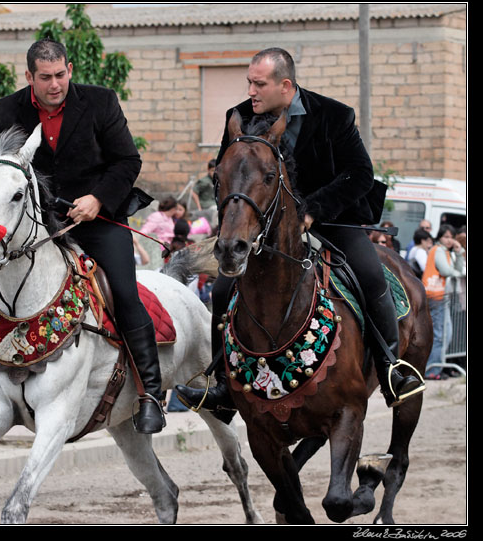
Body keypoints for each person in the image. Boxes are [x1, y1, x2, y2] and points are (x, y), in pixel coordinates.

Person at [176, 47, 423, 412]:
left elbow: (360, 175)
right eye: (249, 82)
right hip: (263, 228)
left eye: (259, 84)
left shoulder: (335, 115)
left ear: (285, 85)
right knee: (224, 287)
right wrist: (235, 222)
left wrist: (313, 210)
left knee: (371, 276)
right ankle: (223, 387)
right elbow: (228, 177)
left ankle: (390, 369)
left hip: (329, 220)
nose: (251, 91)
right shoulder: (238, 118)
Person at [0, 39, 164, 434]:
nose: (55, 84)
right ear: (29, 77)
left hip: (98, 219)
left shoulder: (102, 102)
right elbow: (6, 169)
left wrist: (98, 199)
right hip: (38, 225)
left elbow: (128, 161)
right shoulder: (7, 110)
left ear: (70, 68)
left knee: (123, 291)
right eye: (45, 78)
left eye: (61, 75)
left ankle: (150, 394)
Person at [422, 224, 466, 380]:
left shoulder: (446, 251)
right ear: (439, 237)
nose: (449, 240)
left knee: (446, 334)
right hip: (436, 296)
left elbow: (457, 268)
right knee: (440, 335)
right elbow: (447, 271)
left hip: (443, 297)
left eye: (451, 237)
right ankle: (432, 370)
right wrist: (460, 273)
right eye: (446, 236)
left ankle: (437, 367)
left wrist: (460, 252)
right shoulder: (438, 250)